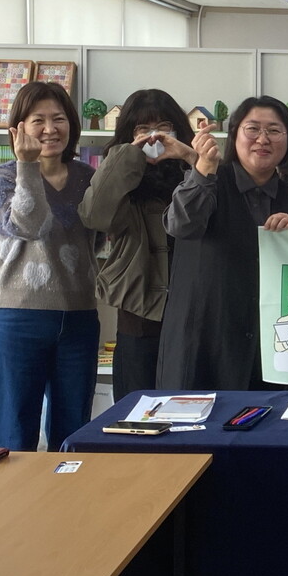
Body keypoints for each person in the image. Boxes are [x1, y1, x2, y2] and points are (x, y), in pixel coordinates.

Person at [157, 96, 288, 391]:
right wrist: (202, 170)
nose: (263, 139)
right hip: (203, 339)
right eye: (252, 129)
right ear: (234, 136)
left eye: (274, 131)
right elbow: (181, 226)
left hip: (270, 348)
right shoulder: (206, 179)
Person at [0, 82, 100, 450]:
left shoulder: (88, 177)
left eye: (59, 119)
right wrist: (27, 166)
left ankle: (67, 505)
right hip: (19, 317)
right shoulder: (5, 176)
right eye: (38, 120)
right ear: (18, 128)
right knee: (14, 430)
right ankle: (15, 508)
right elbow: (29, 225)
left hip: (79, 317)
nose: (50, 129)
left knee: (73, 430)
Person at [79, 89, 197, 401]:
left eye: (163, 126)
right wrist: (128, 157)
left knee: (192, 413)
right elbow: (94, 215)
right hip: (139, 311)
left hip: (193, 312)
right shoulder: (119, 174)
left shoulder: (195, 170)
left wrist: (190, 157)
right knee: (136, 416)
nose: (153, 135)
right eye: (142, 129)